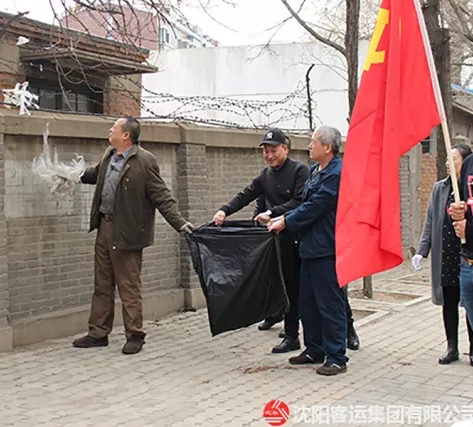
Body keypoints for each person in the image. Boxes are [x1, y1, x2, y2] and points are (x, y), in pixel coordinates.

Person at [72, 116, 194, 355]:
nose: (110, 130)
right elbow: (96, 175)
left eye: (114, 128)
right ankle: (98, 333)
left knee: (128, 286)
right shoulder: (109, 155)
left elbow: (161, 196)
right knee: (102, 284)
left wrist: (180, 223)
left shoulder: (144, 161)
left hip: (127, 232)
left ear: (126, 135)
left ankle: (135, 335)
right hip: (104, 227)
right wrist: (71, 174)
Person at [212, 128, 309, 353]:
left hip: (297, 240)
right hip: (274, 239)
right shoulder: (266, 176)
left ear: (285, 149)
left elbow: (299, 202)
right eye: (266, 151)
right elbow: (245, 195)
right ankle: (286, 326)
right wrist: (224, 210)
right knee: (278, 284)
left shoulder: (299, 171)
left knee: (295, 287)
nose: (269, 155)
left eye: (274, 150)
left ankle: (336, 330)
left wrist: (272, 212)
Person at [267, 125, 348, 376]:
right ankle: (315, 349)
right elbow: (302, 203)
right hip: (309, 247)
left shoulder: (337, 173)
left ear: (328, 147)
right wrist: (282, 216)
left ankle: (336, 357)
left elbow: (315, 206)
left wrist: (286, 221)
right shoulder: (315, 170)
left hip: (328, 249)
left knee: (330, 304)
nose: (309, 146)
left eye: (313, 142)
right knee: (308, 302)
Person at [413, 143, 473, 366]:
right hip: (447, 252)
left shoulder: (471, 187)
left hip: (467, 253)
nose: (449, 163)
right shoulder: (440, 188)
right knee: (449, 302)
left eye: (454, 159)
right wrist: (422, 251)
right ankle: (452, 346)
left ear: (465, 163)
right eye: (448, 159)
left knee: (470, 303)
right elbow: (430, 222)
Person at [449, 100, 473, 367]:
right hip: (468, 263)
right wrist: (458, 211)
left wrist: (469, 227)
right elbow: (468, 206)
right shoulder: (471, 164)